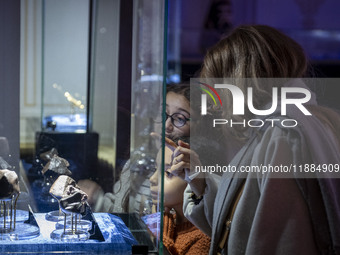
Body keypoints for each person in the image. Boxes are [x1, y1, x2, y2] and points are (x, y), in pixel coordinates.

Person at [168, 25, 340, 255]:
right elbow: (245, 221)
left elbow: (280, 241)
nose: (214, 105)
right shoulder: (300, 122)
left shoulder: (284, 134)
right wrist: (201, 181)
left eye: (218, 89)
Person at [85, 83, 193, 213]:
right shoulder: (139, 160)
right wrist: (94, 197)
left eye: (180, 119)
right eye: (162, 114)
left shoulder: (192, 173)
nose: (166, 125)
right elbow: (116, 207)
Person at [148, 140, 211, 255]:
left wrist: (159, 234)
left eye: (167, 173)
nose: (152, 179)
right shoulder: (169, 221)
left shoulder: (204, 236)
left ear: (192, 179)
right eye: (155, 169)